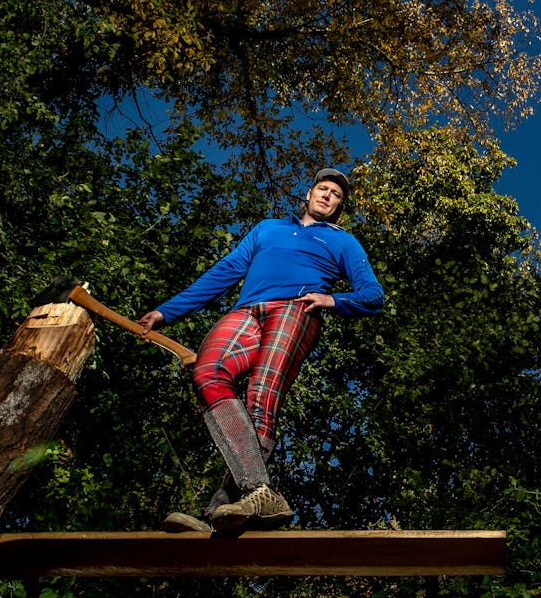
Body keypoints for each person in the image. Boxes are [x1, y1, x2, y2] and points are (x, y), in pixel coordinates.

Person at [137, 168, 384, 532]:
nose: (328, 195)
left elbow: (373, 294)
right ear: (309, 193)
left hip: (296, 309)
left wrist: (333, 299)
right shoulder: (268, 229)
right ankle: (246, 501)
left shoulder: (343, 242)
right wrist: (166, 311)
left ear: (338, 208)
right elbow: (224, 272)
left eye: (336, 195)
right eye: (323, 188)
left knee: (261, 394)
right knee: (208, 372)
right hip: (246, 311)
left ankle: (228, 506)